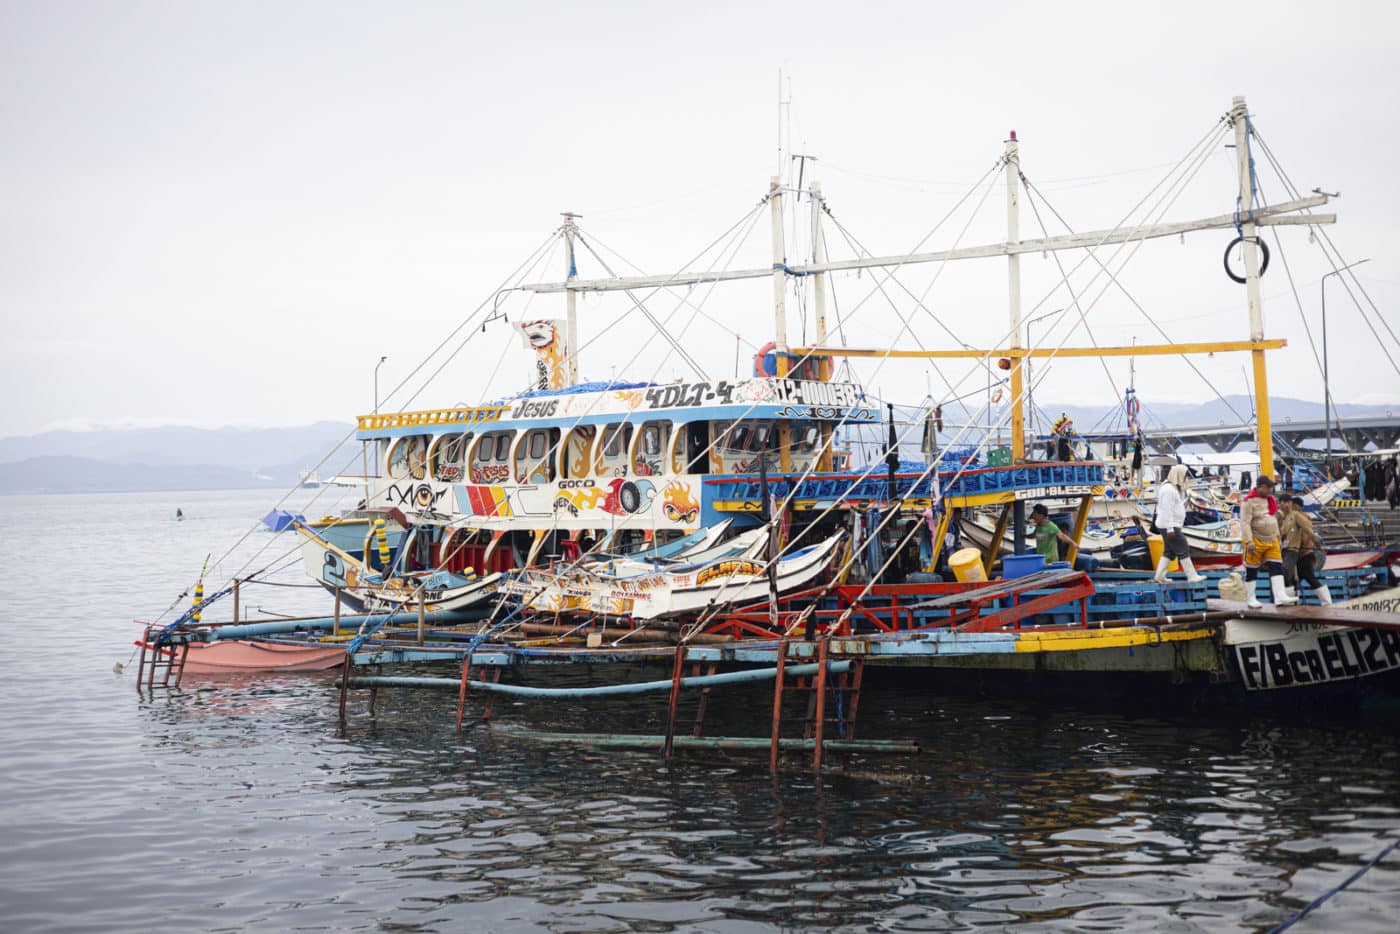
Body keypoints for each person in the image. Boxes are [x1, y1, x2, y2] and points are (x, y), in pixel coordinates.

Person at [1239, 475, 1296, 609]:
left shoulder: (1270, 500)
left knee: (1276, 566)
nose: (1271, 490)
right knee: (1252, 569)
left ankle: (1280, 595)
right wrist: (1249, 541)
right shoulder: (1248, 502)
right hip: (1256, 540)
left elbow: (1273, 517)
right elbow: (1245, 523)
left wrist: (1278, 537)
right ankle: (1251, 598)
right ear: (1261, 487)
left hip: (1272, 539)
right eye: (1269, 488)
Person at [1153, 464, 1205, 584]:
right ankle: (1191, 576)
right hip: (1169, 525)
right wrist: (1170, 529)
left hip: (1170, 524)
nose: (1187, 479)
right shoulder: (1168, 490)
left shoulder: (1173, 488)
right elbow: (1166, 510)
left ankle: (1159, 576)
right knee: (1183, 548)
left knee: (1169, 552)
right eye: (1185, 476)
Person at [1288, 496, 1331, 604]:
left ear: (1295, 506)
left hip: (1304, 554)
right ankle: (1293, 603)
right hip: (1301, 554)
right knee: (1293, 580)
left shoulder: (1299, 518)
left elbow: (1305, 536)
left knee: (1309, 578)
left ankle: (1326, 602)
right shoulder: (1304, 517)